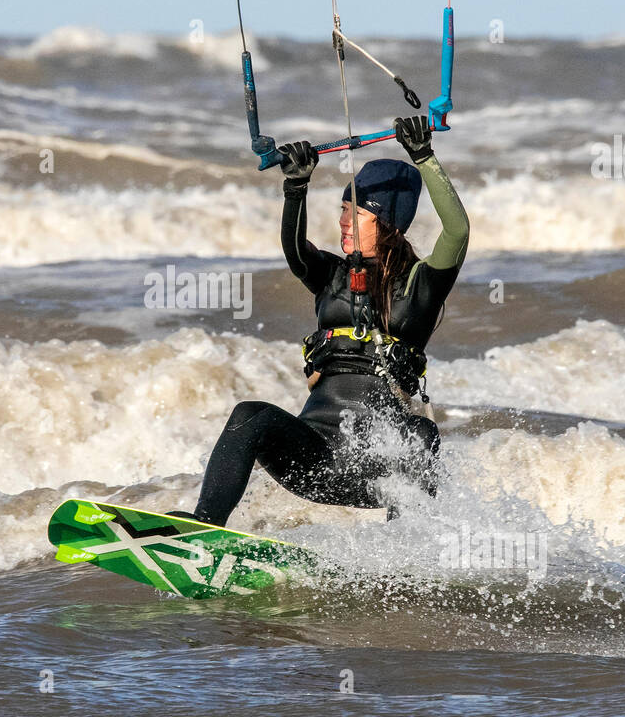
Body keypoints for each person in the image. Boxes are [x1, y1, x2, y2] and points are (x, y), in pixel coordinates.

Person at [177, 115, 469, 527]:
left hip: (377, 469)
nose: (343, 221)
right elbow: (295, 251)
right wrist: (295, 188)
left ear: (386, 223)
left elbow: (456, 232)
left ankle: (407, 552)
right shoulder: (331, 275)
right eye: (342, 209)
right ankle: (203, 527)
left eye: (357, 213)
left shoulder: (419, 287)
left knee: (423, 434)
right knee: (249, 413)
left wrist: (424, 157)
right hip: (313, 460)